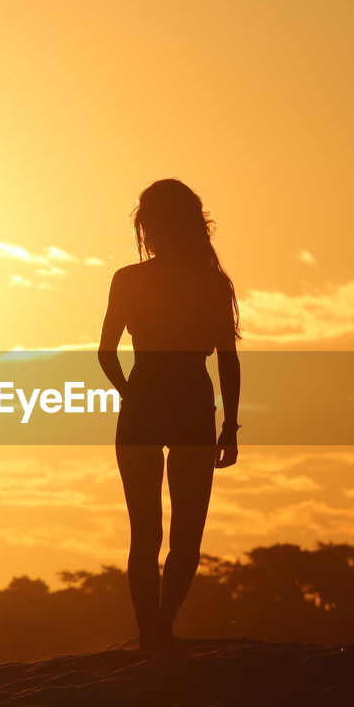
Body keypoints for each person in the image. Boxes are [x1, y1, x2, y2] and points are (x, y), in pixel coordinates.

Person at [97, 178, 241, 652]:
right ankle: (163, 626)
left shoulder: (129, 279)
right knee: (185, 534)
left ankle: (149, 635)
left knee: (145, 534)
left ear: (148, 227)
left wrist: (129, 393)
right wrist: (229, 427)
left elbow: (106, 354)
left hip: (143, 401)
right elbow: (226, 359)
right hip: (193, 404)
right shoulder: (211, 282)